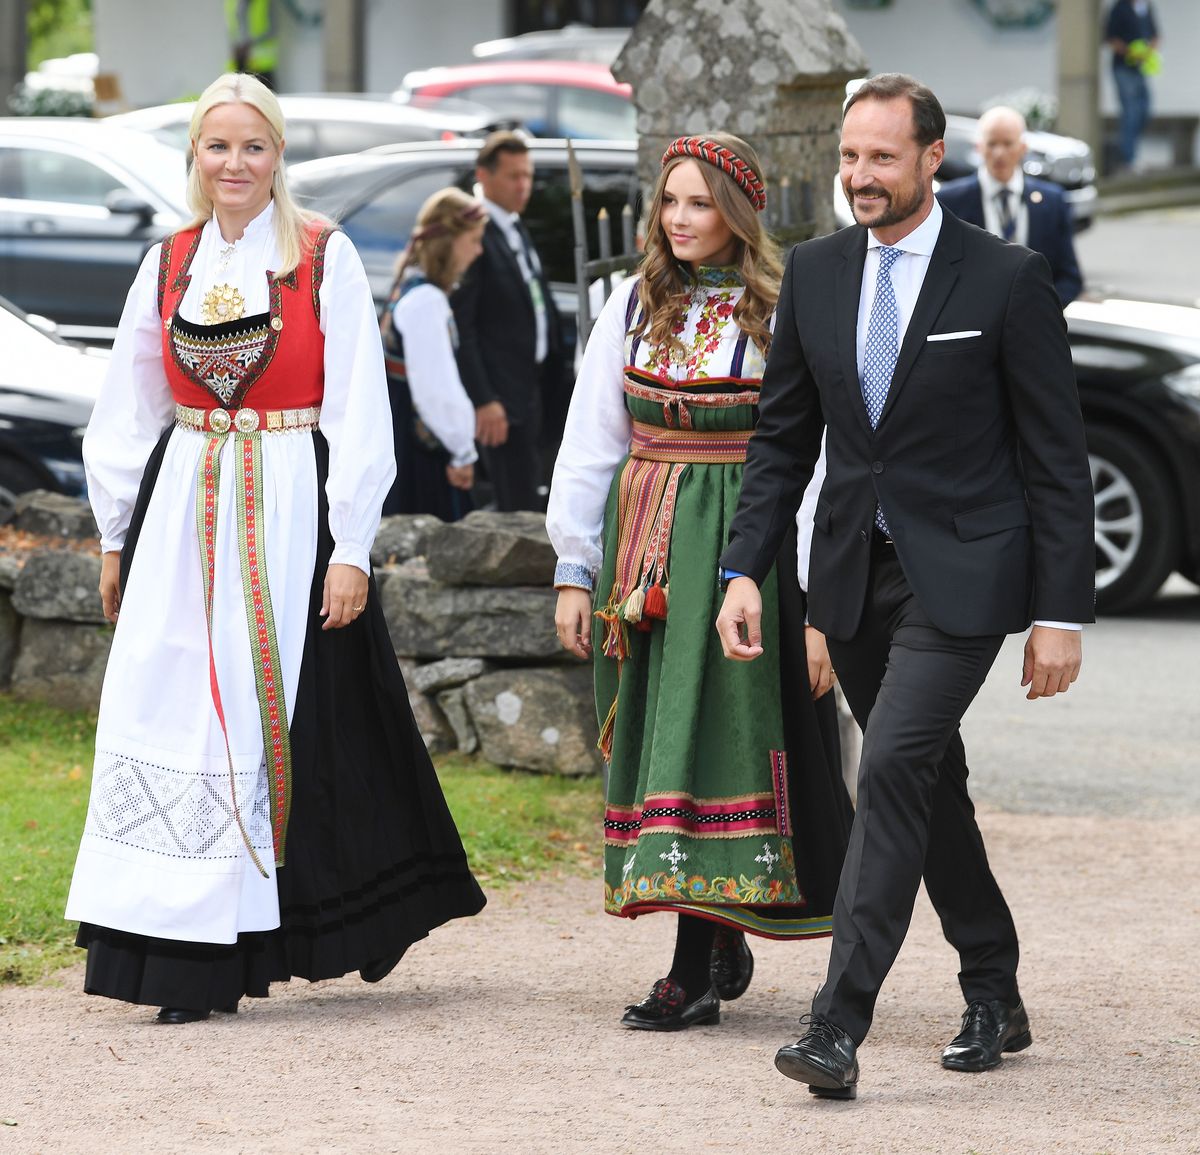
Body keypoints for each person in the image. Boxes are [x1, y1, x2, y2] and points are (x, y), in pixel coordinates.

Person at [64, 73, 485, 1024]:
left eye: (253, 146)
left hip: (287, 496)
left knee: (264, 712)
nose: (235, 164)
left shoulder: (320, 256)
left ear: (279, 154)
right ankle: (163, 938)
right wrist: (114, 532)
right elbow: (127, 408)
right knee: (168, 700)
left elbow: (358, 408)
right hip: (184, 505)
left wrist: (350, 545)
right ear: (195, 157)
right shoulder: (167, 262)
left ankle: (241, 937)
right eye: (218, 146)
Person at [716, 74, 1094, 1099]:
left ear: (934, 158)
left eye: (882, 157)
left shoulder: (1006, 279)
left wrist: (1060, 613)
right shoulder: (818, 273)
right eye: (850, 157)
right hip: (852, 577)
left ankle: (836, 1027)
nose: (861, 176)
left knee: (887, 768)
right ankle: (994, 985)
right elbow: (783, 441)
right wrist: (743, 571)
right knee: (925, 783)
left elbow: (1058, 460)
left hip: (965, 580)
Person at [548, 133, 852, 1031]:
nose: (681, 220)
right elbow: (592, 436)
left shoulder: (786, 307)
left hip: (741, 555)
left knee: (716, 739)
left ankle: (693, 965)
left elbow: (813, 455)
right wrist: (575, 567)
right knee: (662, 736)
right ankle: (714, 939)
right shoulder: (631, 305)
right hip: (648, 552)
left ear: (739, 212)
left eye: (701, 202)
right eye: (670, 202)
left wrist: (804, 592)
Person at [451, 131, 565, 512]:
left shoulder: (514, 226)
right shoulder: (474, 231)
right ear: (484, 175)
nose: (524, 186)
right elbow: (461, 328)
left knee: (533, 493)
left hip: (530, 387)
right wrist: (484, 400)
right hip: (499, 398)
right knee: (510, 503)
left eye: (528, 176)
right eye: (514, 176)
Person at [381, 187, 486, 521]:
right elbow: (435, 391)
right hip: (421, 451)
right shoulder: (425, 301)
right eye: (473, 240)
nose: (478, 251)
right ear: (450, 243)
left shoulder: (415, 290)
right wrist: (462, 452)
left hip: (408, 441)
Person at [937, 106, 1083, 307]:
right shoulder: (949, 200)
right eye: (992, 144)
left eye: (1007, 144)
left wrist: (1042, 311)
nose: (999, 153)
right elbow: (940, 273)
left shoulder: (1052, 201)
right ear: (978, 147)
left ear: (1023, 148)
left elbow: (1070, 277)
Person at [1105, 0, 1161, 171]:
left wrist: (1148, 51)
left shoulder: (1146, 7)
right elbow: (1111, 38)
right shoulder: (1119, 8)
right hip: (1123, 68)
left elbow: (1155, 35)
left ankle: (1130, 153)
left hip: (1141, 69)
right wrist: (1131, 52)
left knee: (1144, 109)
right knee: (1130, 112)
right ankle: (1128, 158)